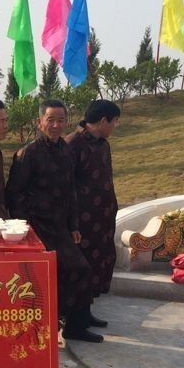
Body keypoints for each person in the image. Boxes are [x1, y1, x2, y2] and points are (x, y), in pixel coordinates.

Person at [5, 99, 102, 343]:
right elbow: (14, 195)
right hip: (36, 227)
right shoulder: (28, 154)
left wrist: (74, 225)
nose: (56, 125)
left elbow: (71, 190)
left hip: (60, 226)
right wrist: (24, 230)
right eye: (51, 120)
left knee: (80, 269)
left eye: (60, 120)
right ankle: (51, 325)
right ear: (40, 122)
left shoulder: (66, 150)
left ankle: (76, 324)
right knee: (52, 275)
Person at [65, 100, 120, 329]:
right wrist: (72, 222)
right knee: (81, 268)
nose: (115, 126)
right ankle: (74, 320)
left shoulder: (102, 144)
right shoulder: (72, 145)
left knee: (97, 266)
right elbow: (66, 186)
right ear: (103, 121)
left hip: (102, 220)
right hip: (81, 222)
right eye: (114, 121)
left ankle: (85, 313)